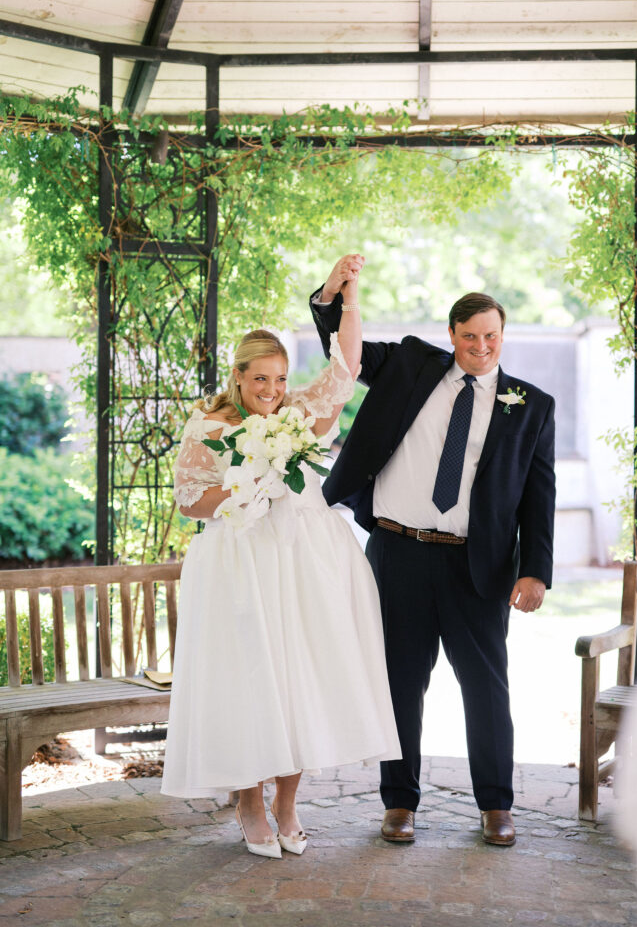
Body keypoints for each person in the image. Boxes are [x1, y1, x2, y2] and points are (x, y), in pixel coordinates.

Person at [310, 255, 556, 846]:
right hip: (398, 556)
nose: (481, 346)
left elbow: (539, 496)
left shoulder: (532, 405)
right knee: (399, 683)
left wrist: (536, 572)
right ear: (452, 336)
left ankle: (496, 806)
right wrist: (334, 294)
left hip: (478, 566)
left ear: (503, 336)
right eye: (470, 336)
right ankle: (400, 804)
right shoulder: (412, 365)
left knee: (486, 687)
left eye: (491, 336)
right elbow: (347, 354)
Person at [161, 254, 400, 858]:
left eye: (278, 378)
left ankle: (288, 802)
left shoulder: (297, 415)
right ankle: (247, 800)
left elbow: (346, 365)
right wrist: (248, 487)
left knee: (302, 680)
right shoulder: (210, 426)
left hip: (304, 562)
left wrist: (346, 296)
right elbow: (191, 501)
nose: (270, 391)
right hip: (241, 565)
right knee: (250, 681)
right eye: (258, 379)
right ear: (238, 377)